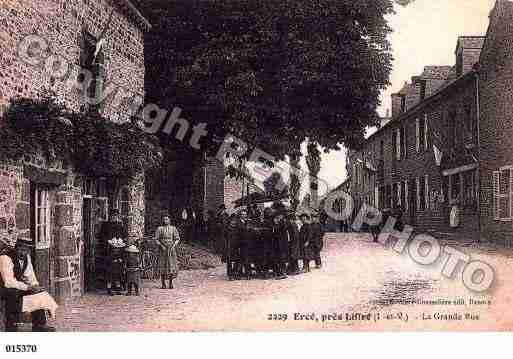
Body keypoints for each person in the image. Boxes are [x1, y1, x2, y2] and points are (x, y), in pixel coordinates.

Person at [0, 239, 57, 332]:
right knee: (13, 294)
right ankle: (11, 328)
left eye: (25, 250)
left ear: (28, 251)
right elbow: (8, 281)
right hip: (3, 287)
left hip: (16, 286)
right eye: (20, 250)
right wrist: (28, 287)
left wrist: (35, 287)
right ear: (16, 249)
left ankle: (39, 325)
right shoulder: (5, 257)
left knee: (37, 293)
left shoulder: (26, 258)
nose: (23, 253)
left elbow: (30, 276)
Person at [98, 209, 128, 293]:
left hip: (119, 250)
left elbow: (124, 236)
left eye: (116, 215)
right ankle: (109, 286)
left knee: (119, 267)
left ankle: (118, 285)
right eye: (113, 216)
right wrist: (108, 242)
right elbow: (101, 237)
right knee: (109, 268)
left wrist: (122, 242)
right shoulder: (106, 225)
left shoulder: (120, 225)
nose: (115, 217)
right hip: (109, 250)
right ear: (110, 216)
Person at [155, 215, 180, 289]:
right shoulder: (160, 229)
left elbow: (177, 239)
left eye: (167, 219)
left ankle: (170, 283)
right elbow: (156, 239)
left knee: (171, 265)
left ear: (169, 220)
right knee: (162, 265)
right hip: (163, 250)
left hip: (171, 249)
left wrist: (174, 246)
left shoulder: (173, 228)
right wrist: (161, 245)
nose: (165, 221)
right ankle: (163, 283)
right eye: (164, 219)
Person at [272, 209, 289, 280]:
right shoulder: (281, 223)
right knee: (280, 259)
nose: (276, 219)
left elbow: (278, 231)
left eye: (277, 217)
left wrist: (276, 224)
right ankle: (281, 273)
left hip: (281, 245)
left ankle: (283, 273)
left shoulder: (282, 223)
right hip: (279, 244)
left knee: (281, 259)